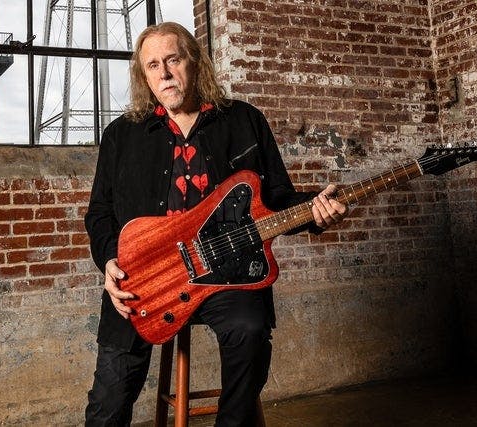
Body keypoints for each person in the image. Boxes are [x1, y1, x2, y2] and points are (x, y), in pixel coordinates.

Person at [84, 22, 347, 426]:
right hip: (145, 278)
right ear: (144, 76)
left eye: (173, 60)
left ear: (194, 62)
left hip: (227, 275)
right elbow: (100, 213)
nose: (164, 73)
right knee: (110, 396)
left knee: (250, 330)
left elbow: (276, 200)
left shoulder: (244, 120)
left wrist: (315, 211)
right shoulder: (121, 135)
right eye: (153, 65)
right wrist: (108, 262)